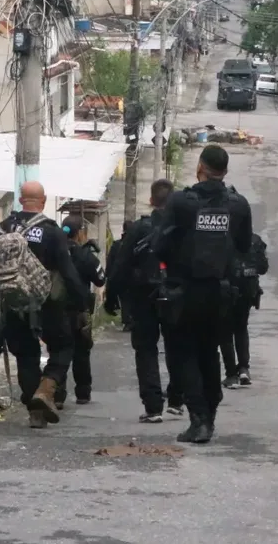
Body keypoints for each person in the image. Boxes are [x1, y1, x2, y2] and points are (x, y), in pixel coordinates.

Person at [152, 145, 252, 444]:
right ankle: (209, 412)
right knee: (210, 352)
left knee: (184, 354)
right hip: (221, 292)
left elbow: (160, 245)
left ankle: (199, 419)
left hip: (185, 290)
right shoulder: (238, 204)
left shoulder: (182, 202)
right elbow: (245, 245)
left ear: (200, 166)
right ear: (225, 170)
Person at [0, 181, 87, 428]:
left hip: (11, 303)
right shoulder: (51, 231)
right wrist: (82, 303)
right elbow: (68, 271)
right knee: (63, 348)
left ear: (21, 201)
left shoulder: (2, 229)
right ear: (42, 201)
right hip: (47, 303)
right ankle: (47, 388)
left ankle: (36, 413)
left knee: (26, 356)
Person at [112, 179, 185, 423]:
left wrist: (112, 296)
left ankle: (153, 406)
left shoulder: (139, 229)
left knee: (145, 350)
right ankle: (176, 399)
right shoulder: (182, 228)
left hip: (143, 296)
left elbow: (122, 265)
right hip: (175, 295)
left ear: (152, 200)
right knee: (176, 347)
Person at [58, 215, 106, 407]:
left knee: (58, 352)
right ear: (80, 233)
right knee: (81, 353)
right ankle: (83, 393)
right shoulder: (85, 255)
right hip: (79, 312)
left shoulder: (53, 253)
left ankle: (58, 395)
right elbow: (100, 279)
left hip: (55, 311)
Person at [222, 229, 268, 390]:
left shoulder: (223, 239)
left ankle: (231, 375)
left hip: (227, 290)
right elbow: (263, 268)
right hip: (249, 290)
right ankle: (243, 368)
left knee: (225, 332)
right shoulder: (255, 240)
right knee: (241, 328)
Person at [106, 222, 133, 332]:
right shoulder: (136, 244)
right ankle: (131, 320)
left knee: (125, 299)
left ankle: (127, 321)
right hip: (132, 277)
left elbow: (110, 262)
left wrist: (110, 276)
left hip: (120, 277)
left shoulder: (117, 244)